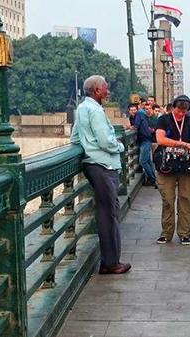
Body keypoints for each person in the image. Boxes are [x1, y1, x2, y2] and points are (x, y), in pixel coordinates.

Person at [70, 75, 130, 274]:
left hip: (92, 163)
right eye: (105, 88)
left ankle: (110, 260)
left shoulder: (82, 109)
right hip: (103, 164)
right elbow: (105, 141)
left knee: (106, 212)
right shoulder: (95, 111)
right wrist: (119, 146)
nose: (108, 91)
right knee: (109, 214)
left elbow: (75, 138)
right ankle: (111, 262)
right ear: (97, 91)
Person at [155, 95, 190, 245]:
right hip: (167, 166)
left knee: (186, 199)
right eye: (179, 110)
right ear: (173, 107)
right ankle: (166, 233)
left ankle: (184, 233)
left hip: (186, 166)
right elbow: (160, 139)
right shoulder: (164, 120)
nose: (182, 113)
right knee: (168, 199)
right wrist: (181, 144)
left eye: (184, 111)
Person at [135, 103, 156, 186]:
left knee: (143, 161)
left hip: (146, 140)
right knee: (148, 161)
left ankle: (152, 179)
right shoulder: (145, 116)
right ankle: (152, 178)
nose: (147, 110)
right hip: (147, 139)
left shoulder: (140, 114)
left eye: (149, 108)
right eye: (146, 108)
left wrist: (133, 127)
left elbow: (136, 125)